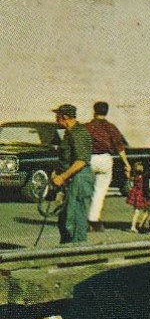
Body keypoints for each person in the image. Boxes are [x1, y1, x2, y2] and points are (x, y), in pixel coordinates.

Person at [50, 103, 96, 243]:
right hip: (72, 178)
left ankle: (77, 252)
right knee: (65, 218)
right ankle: (66, 249)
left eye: (57, 116)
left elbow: (81, 160)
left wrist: (63, 176)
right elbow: (68, 157)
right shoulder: (69, 133)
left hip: (80, 179)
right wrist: (57, 173)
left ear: (64, 117)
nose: (56, 119)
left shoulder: (79, 133)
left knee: (75, 218)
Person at [84, 100, 131, 232]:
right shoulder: (111, 127)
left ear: (94, 111)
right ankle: (93, 220)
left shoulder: (87, 127)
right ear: (107, 112)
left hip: (89, 159)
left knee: (86, 189)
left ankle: (82, 217)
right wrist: (126, 163)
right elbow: (120, 147)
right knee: (100, 191)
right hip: (105, 159)